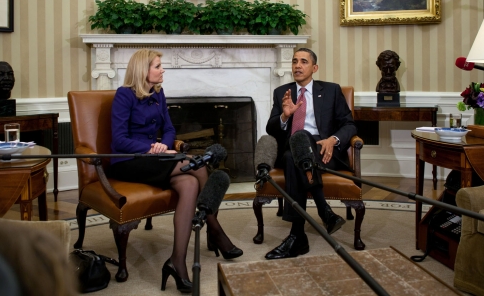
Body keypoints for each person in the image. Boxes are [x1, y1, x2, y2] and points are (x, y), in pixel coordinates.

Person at [108, 49, 242, 293]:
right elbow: (118, 140)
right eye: (158, 66)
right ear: (143, 70)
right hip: (129, 161)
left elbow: (170, 129)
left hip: (156, 158)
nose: (163, 70)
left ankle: (176, 261)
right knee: (197, 165)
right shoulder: (124, 95)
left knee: (190, 184)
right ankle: (216, 230)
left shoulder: (158, 94)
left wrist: (164, 144)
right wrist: (152, 148)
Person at [264, 48, 356, 260]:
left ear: (314, 68)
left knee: (292, 155)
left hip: (323, 151)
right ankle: (324, 211)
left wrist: (333, 140)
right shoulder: (282, 93)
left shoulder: (332, 90)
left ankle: (297, 236)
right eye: (295, 61)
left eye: (303, 62)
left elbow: (349, 124)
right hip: (294, 148)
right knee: (296, 144)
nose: (297, 65)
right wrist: (285, 117)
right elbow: (271, 128)